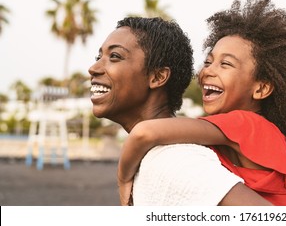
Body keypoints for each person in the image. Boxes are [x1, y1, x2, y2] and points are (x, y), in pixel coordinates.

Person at [118, 0, 286, 205]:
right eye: (208, 62)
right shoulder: (257, 132)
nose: (208, 71)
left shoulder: (246, 124)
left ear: (261, 88)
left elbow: (144, 133)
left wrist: (123, 179)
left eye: (226, 64)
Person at [88, 16, 271, 206]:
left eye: (115, 56)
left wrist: (123, 178)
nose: (93, 68)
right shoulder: (168, 157)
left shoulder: (178, 163)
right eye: (98, 57)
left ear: (158, 76)